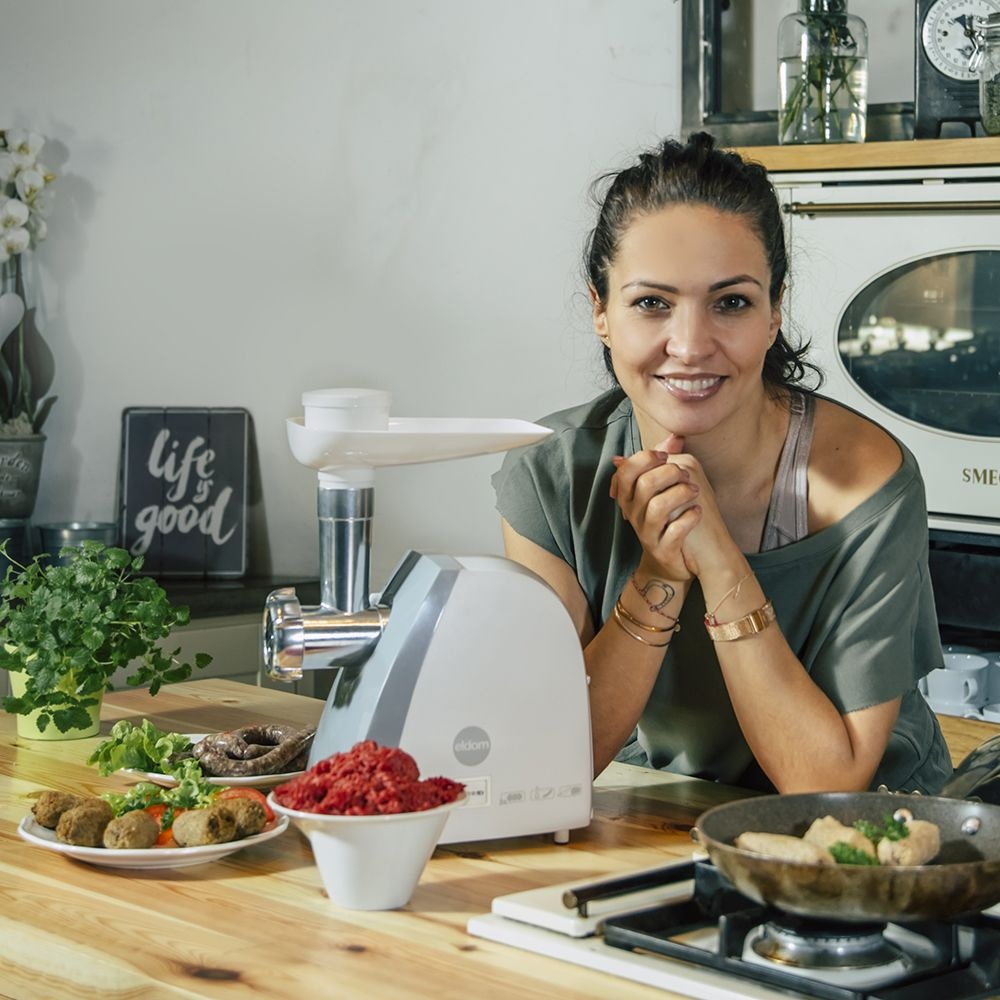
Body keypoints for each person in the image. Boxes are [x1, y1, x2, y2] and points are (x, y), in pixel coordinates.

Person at [492, 132, 952, 794]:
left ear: (773, 314)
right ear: (600, 312)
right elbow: (546, 761)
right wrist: (661, 571)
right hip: (667, 814)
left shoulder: (864, 483)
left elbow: (829, 780)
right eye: (652, 303)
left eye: (730, 302)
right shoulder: (548, 475)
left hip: (870, 841)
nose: (689, 344)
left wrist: (718, 557)